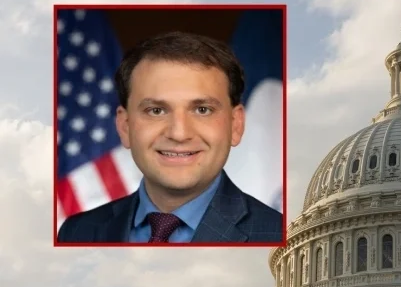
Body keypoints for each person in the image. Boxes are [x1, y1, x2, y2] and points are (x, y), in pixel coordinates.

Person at [57, 31, 284, 244]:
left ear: (236, 125)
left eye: (202, 110)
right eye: (156, 111)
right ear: (124, 126)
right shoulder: (76, 232)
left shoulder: (278, 235)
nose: (179, 133)